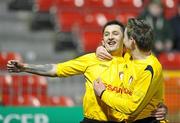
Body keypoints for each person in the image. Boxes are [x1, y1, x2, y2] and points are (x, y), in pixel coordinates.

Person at [7, 20, 167, 123]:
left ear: (125, 41)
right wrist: (25, 67)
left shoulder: (132, 59)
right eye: (106, 34)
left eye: (116, 33)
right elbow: (56, 69)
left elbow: (144, 90)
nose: (111, 37)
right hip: (93, 120)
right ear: (102, 41)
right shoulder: (90, 59)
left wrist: (159, 107)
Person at [94, 18, 167, 123]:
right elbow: (112, 45)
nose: (122, 39)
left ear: (132, 41)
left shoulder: (148, 69)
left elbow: (131, 108)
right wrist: (100, 48)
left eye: (124, 36)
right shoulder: (130, 53)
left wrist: (102, 93)